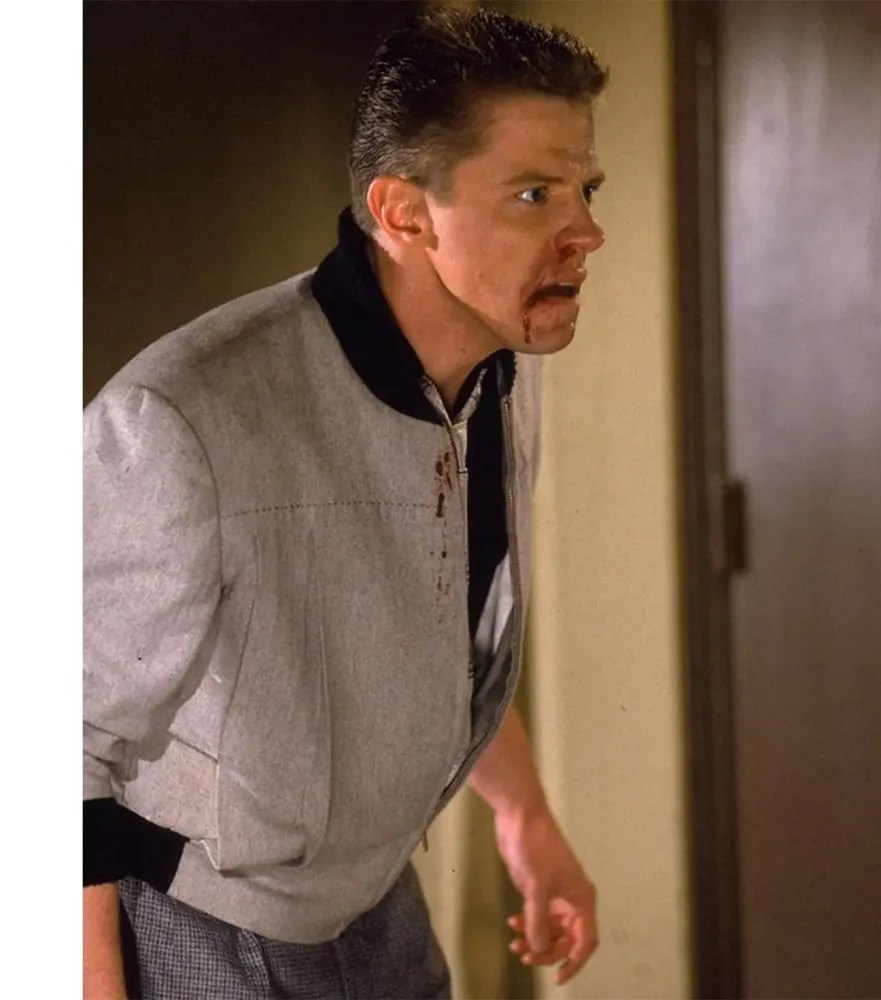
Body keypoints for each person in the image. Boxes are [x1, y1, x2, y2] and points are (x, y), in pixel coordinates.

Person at [83, 6, 608, 997]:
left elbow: (430, 635)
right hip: (208, 936)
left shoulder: (499, 372)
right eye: (534, 194)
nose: (586, 231)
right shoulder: (178, 417)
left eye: (586, 189)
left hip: (380, 909)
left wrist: (524, 816)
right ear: (405, 212)